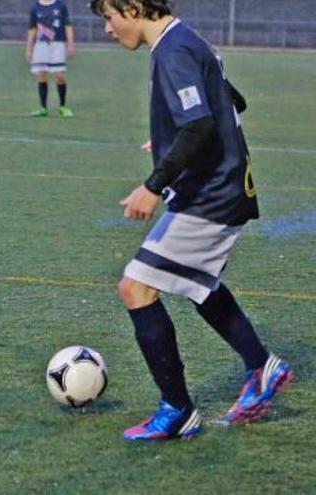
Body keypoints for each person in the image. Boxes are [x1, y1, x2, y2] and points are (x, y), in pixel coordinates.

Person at [88, 0, 294, 441]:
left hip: (212, 194)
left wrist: (153, 184)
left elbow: (199, 125)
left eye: (108, 15)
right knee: (200, 284)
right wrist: (167, 133)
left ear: (133, 7)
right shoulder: (185, 38)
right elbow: (230, 98)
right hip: (226, 187)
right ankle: (262, 366)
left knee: (136, 286)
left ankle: (178, 410)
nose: (107, 28)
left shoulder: (171, 50)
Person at [25, 0, 74, 117]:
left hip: (58, 45)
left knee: (60, 76)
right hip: (41, 45)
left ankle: (62, 107)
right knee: (42, 75)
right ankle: (43, 108)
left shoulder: (60, 6)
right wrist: (29, 48)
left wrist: (70, 44)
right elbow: (32, 29)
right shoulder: (35, 7)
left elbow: (67, 26)